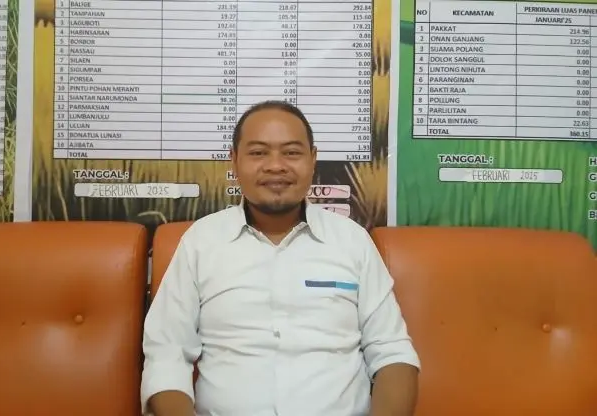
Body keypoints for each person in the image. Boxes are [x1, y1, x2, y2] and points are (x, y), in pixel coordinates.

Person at [141, 100, 420, 416]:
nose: (276, 166)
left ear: (313, 159)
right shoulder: (201, 242)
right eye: (258, 153)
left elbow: (392, 352)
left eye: (291, 152)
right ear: (234, 160)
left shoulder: (352, 241)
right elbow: (167, 354)